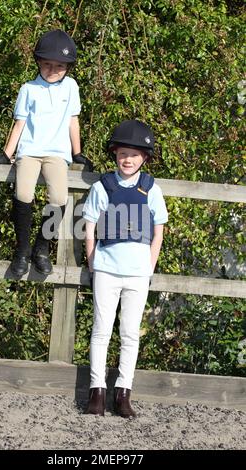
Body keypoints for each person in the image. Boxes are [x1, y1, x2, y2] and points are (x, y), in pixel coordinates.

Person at [0, 29, 91, 276]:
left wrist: (78, 152)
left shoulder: (71, 87)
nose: (53, 70)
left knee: (59, 199)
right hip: (29, 151)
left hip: (57, 152)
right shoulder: (28, 88)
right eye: (47, 64)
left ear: (68, 67)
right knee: (23, 194)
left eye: (60, 66)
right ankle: (22, 250)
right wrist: (7, 153)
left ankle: (41, 247)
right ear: (39, 63)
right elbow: (19, 124)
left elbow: (74, 121)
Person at [82, 120, 168, 418]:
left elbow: (158, 231)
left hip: (137, 272)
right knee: (101, 330)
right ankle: (97, 393)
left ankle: (123, 393)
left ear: (145, 157)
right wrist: (94, 263)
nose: (127, 159)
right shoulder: (101, 187)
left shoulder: (151, 189)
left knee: (130, 333)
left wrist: (149, 266)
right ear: (115, 154)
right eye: (122, 154)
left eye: (134, 154)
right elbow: (89, 227)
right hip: (107, 269)